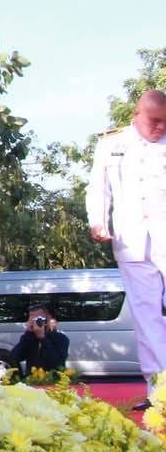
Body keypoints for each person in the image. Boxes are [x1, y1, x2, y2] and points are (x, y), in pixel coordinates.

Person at [87, 89, 166, 411]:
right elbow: (98, 187)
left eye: (165, 123)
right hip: (133, 242)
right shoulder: (112, 144)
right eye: (154, 121)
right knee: (146, 316)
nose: (160, 128)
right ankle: (159, 390)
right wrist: (97, 221)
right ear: (137, 114)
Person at [9, 304, 69, 376]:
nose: (36, 322)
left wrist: (43, 338)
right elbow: (15, 357)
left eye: (39, 319)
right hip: (32, 381)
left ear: (48, 319)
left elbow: (58, 363)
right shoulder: (29, 337)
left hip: (53, 381)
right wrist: (28, 332)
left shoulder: (61, 338)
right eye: (32, 319)